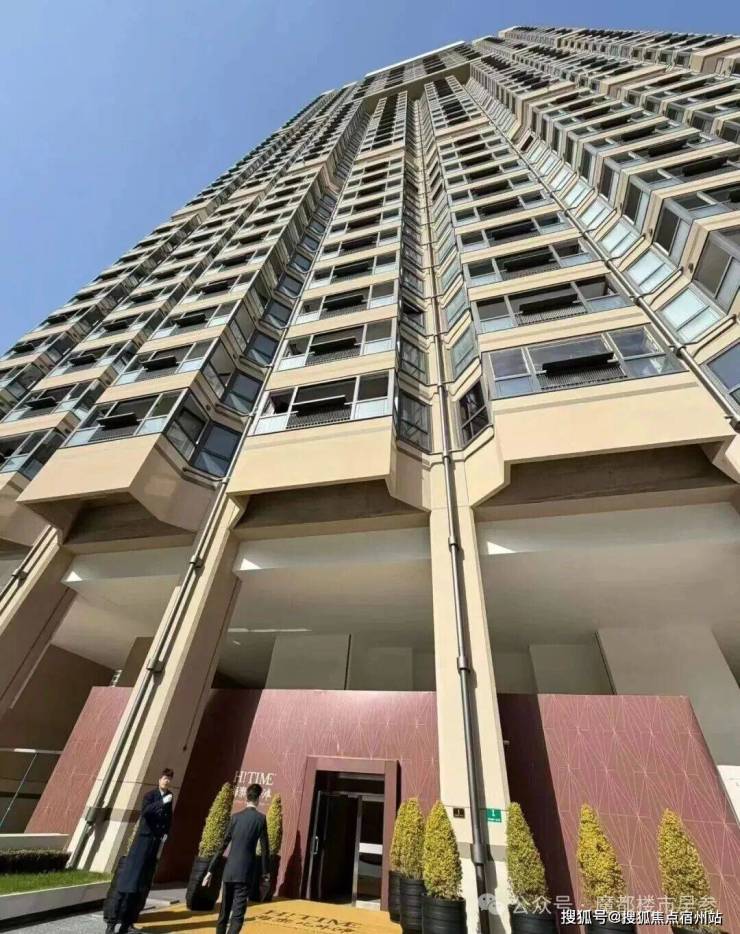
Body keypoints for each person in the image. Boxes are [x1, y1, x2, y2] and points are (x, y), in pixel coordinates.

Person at [106, 767, 175, 934]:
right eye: (164, 778)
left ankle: (127, 924)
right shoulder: (150, 795)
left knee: (140, 887)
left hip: (153, 846)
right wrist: (161, 802)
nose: (166, 781)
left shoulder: (169, 796)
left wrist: (166, 833)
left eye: (169, 779)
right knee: (127, 885)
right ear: (159, 779)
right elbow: (146, 812)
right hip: (141, 845)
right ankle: (112, 924)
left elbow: (168, 817)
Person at [203, 783, 270, 934]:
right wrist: (266, 873)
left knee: (223, 912)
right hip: (245, 873)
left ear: (247, 797)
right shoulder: (260, 819)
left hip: (229, 871)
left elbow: (222, 846)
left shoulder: (235, 818)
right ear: (258, 799)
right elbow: (265, 849)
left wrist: (210, 870)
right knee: (238, 915)